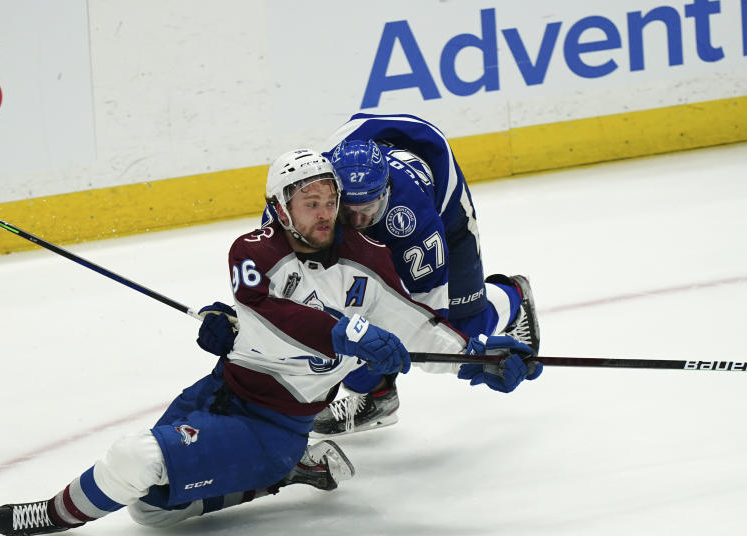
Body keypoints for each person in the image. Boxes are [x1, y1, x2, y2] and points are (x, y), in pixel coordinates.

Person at [0, 149, 541, 536]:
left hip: (273, 423)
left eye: (329, 201)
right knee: (150, 512)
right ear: (282, 209)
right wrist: (226, 319)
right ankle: (291, 469)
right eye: (309, 204)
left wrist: (482, 356)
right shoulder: (252, 250)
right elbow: (270, 314)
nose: (325, 215)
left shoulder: (367, 263)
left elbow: (422, 331)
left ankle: (54, 514)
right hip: (224, 389)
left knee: (134, 459)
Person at [199, 114, 541, 437]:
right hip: (363, 154)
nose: (359, 219)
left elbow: (429, 320)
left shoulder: (415, 223)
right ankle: (378, 397)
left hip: (439, 200)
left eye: (370, 209)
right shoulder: (301, 205)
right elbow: (285, 296)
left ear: (386, 194)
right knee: (339, 332)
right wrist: (242, 320)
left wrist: (472, 359)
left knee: (464, 325)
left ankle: (512, 296)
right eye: (348, 208)